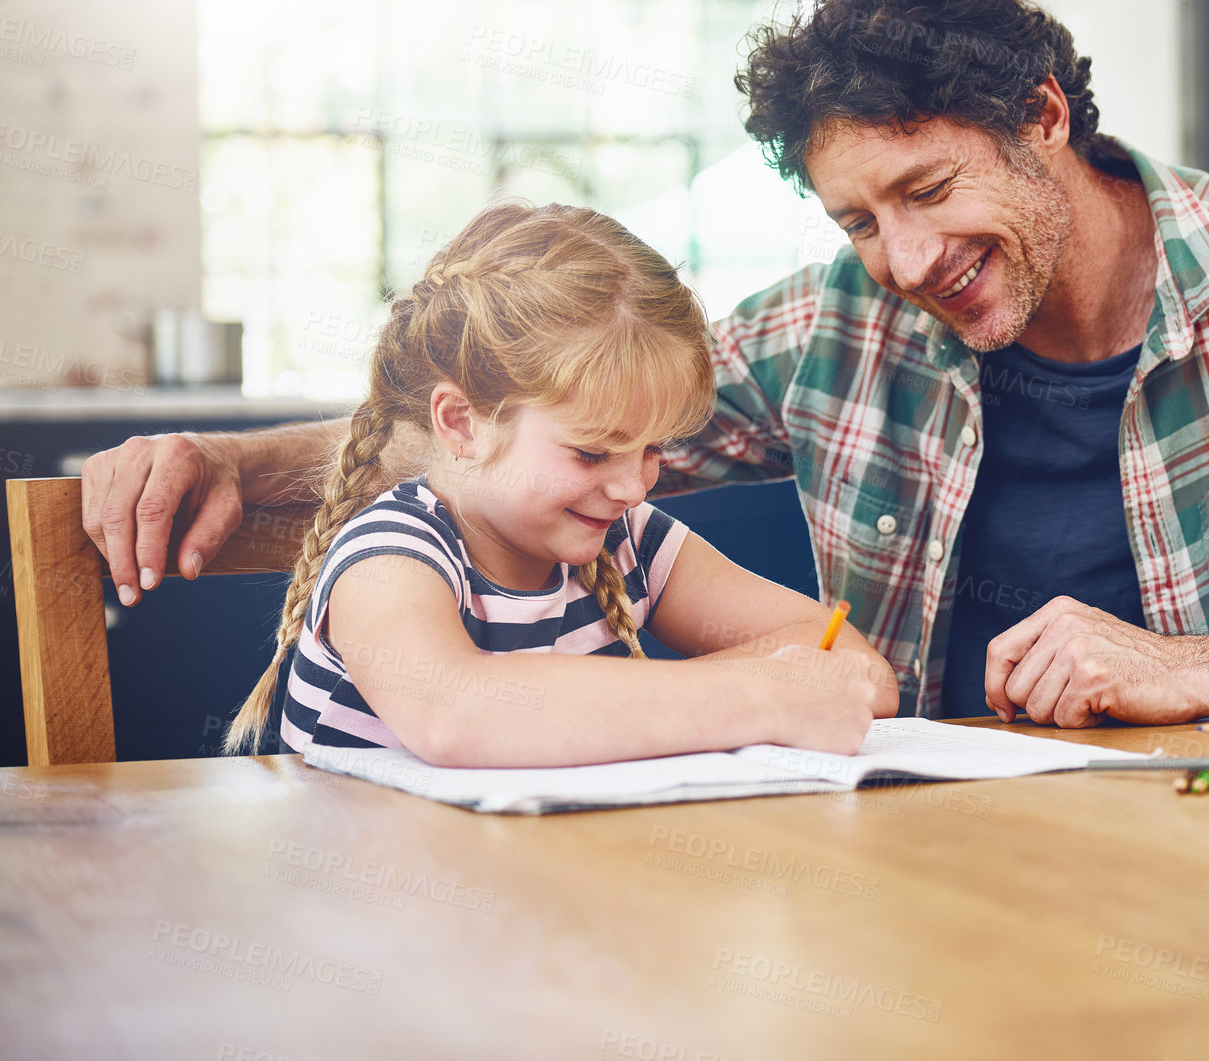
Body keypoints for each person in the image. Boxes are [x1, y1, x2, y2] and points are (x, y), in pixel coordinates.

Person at [83, 0, 1209, 731]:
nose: (903, 260)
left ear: (1041, 119)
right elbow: (528, 421)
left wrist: (1195, 668)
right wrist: (245, 458)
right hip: (938, 847)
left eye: (927, 192)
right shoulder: (832, 328)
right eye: (853, 220)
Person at [220, 200, 894, 765]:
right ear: (461, 424)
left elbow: (852, 662)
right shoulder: (390, 559)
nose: (633, 487)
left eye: (652, 447)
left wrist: (764, 686)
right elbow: (459, 715)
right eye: (592, 453)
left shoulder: (630, 542)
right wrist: (765, 694)